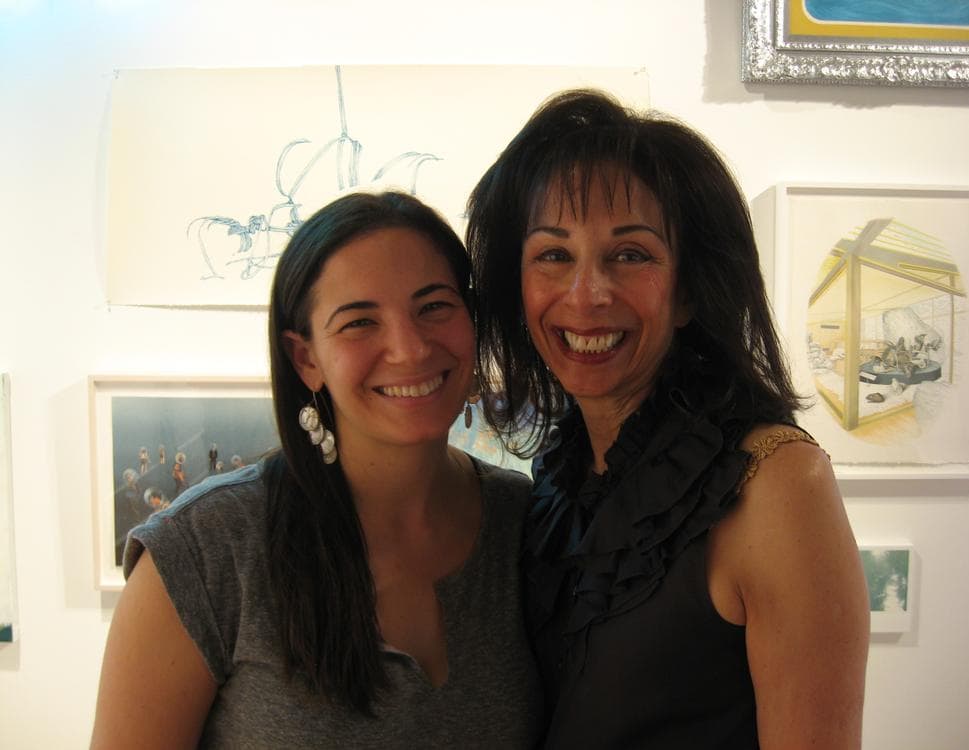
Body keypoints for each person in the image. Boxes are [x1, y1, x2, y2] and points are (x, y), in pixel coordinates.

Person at [466, 90, 869, 749]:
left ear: (688, 290)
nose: (587, 294)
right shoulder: (558, 485)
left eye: (630, 255)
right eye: (553, 255)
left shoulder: (777, 482)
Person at [91, 191, 543, 748]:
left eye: (433, 307)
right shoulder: (207, 552)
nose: (408, 348)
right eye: (358, 322)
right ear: (306, 358)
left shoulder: (524, 522)